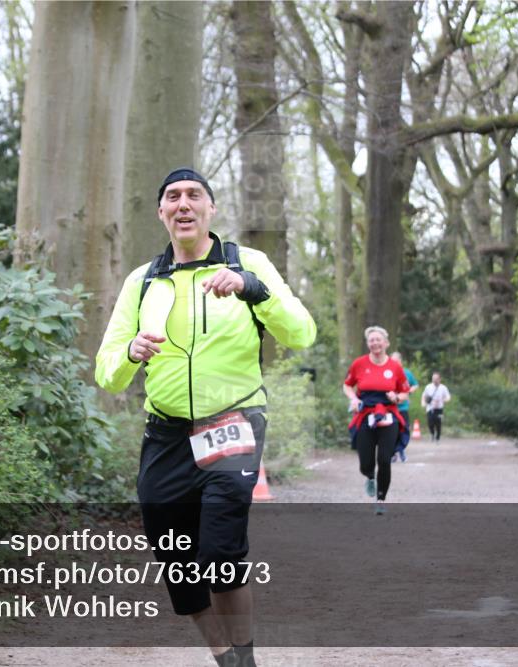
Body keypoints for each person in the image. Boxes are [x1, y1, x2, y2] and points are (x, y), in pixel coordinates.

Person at [95, 167, 316, 667]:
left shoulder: (246, 262)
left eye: (194, 195)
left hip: (232, 423)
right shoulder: (144, 280)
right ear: (162, 213)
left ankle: (246, 659)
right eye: (172, 196)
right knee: (178, 564)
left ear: (211, 209)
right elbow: (106, 372)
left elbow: (302, 333)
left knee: (219, 555)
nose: (183, 204)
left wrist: (252, 287)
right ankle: (226, 658)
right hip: (166, 433)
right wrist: (129, 350)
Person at [343, 326, 410, 515]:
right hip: (366, 415)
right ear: (368, 344)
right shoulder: (359, 364)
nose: (375, 343)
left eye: (378, 339)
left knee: (384, 459)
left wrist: (396, 397)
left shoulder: (395, 367)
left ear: (386, 343)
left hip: (388, 415)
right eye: (371, 340)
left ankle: (381, 498)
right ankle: (369, 476)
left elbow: (405, 392)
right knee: (365, 459)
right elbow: (347, 385)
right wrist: (354, 399)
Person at [390, 351, 418, 462]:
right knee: (391, 431)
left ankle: (401, 450)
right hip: (391, 408)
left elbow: (415, 384)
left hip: (403, 408)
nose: (394, 363)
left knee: (404, 429)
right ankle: (392, 453)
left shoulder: (407, 373)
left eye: (396, 361)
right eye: (392, 361)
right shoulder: (387, 373)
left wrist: (409, 391)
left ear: (401, 361)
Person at [421, 372, 452, 441]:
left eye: (436, 379)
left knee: (438, 423)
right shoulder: (428, 387)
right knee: (430, 422)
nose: (434, 380)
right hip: (430, 408)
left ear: (440, 379)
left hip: (439, 408)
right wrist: (423, 403)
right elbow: (424, 396)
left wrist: (442, 400)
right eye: (433, 378)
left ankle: (438, 437)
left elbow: (448, 397)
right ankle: (432, 433)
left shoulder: (443, 388)